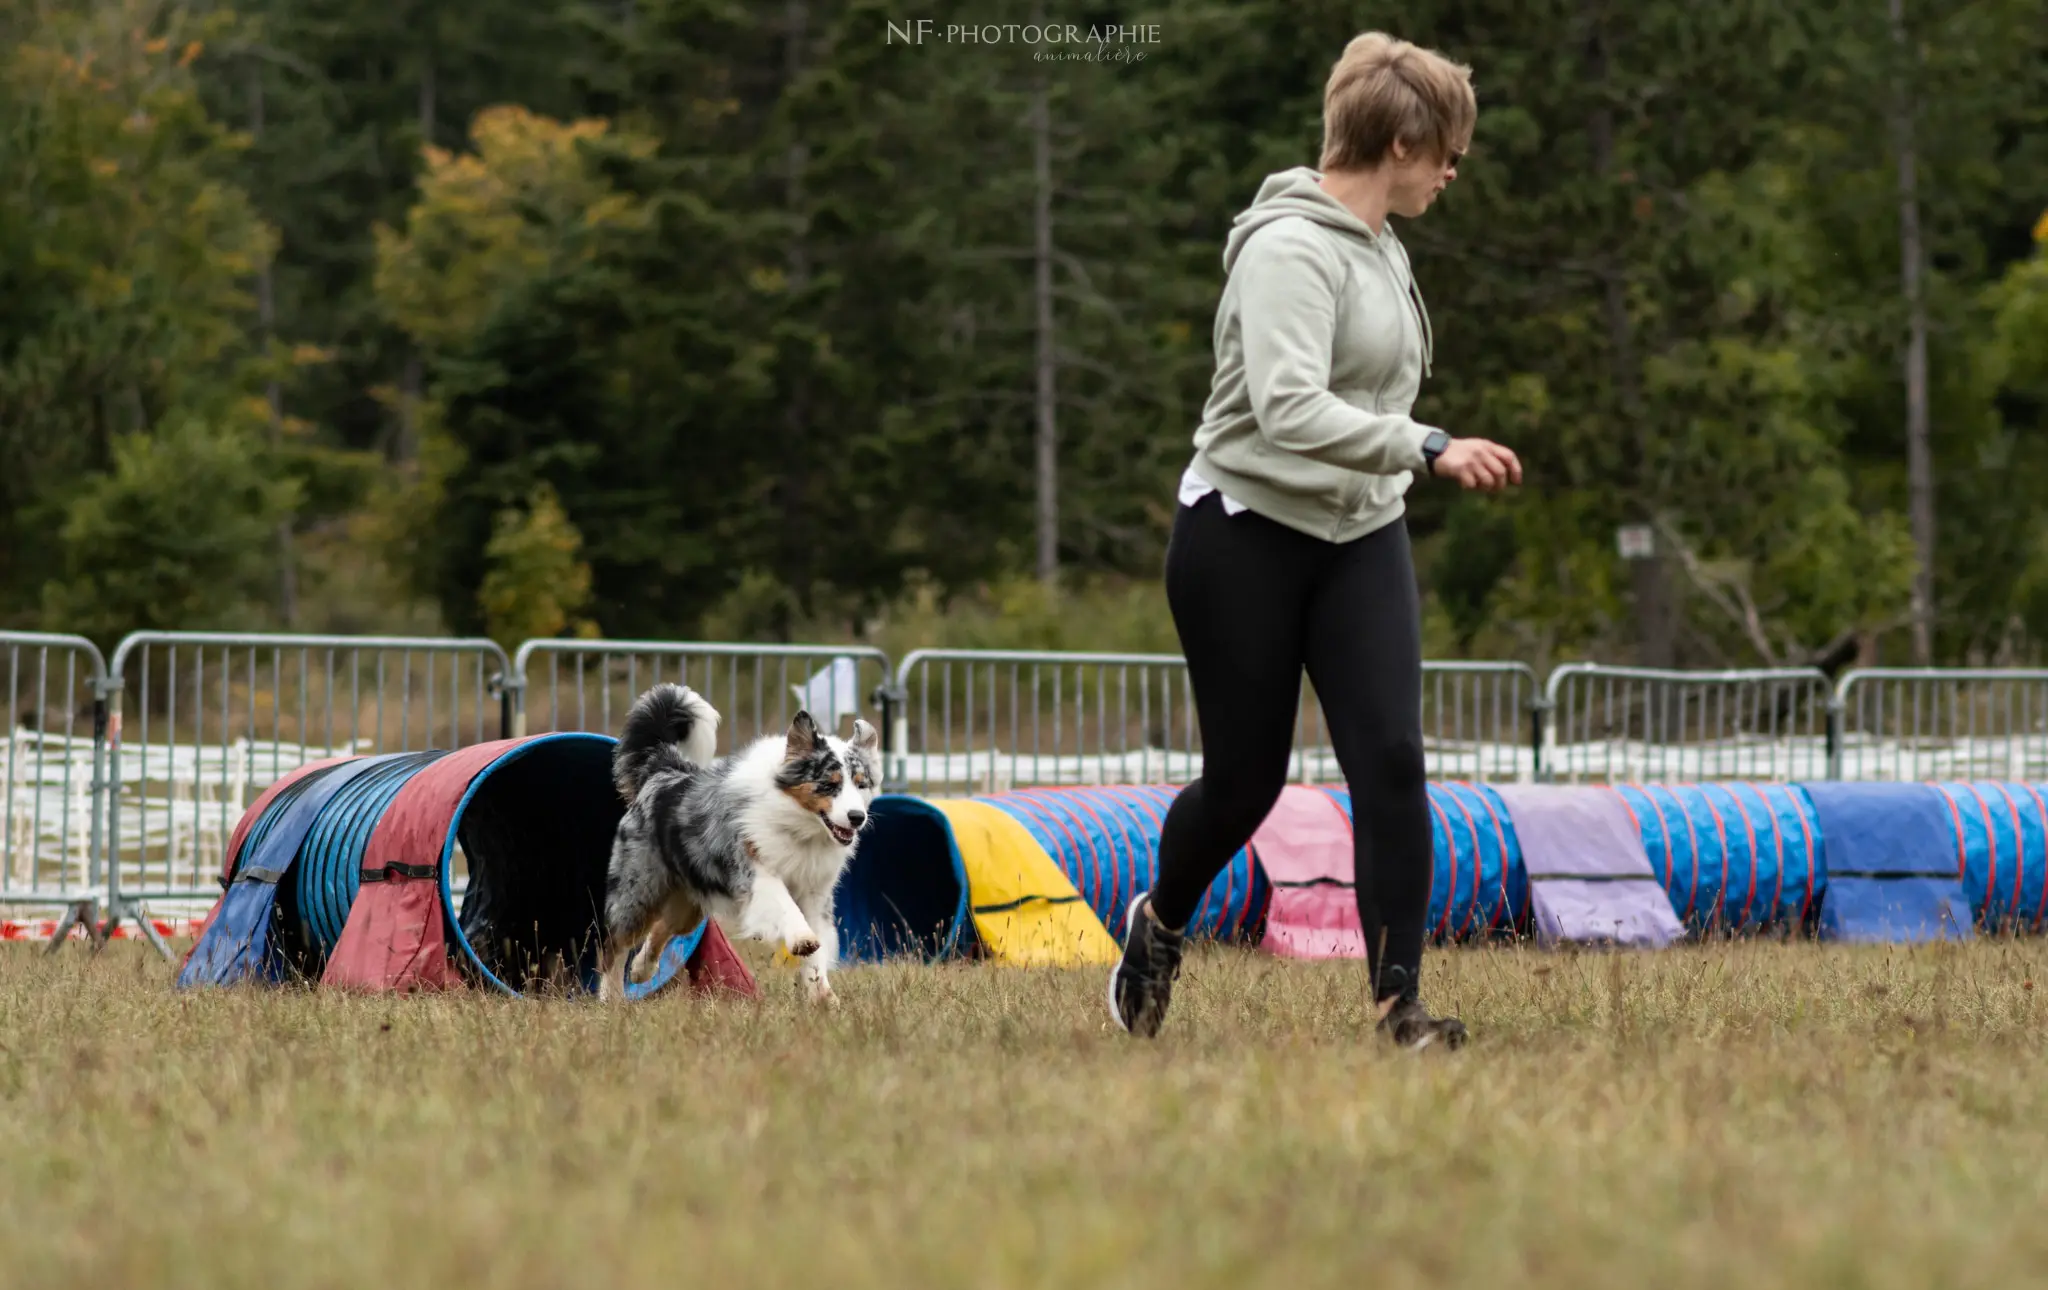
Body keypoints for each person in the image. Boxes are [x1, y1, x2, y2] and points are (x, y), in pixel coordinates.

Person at [1107, 31, 1521, 1048]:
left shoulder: (1381, 245)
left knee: (1389, 759)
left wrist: (1398, 460)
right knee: (1247, 784)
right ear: (1399, 141)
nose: (1451, 170)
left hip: (1358, 532)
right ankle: (1158, 921)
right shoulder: (1286, 249)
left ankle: (1397, 1006)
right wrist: (1425, 444)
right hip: (1242, 534)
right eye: (1444, 151)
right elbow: (1287, 410)